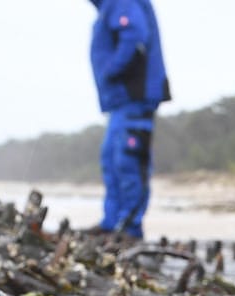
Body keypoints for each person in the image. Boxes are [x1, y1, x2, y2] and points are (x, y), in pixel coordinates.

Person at [88, 0, 170, 240]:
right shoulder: (107, 7)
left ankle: (129, 229)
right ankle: (111, 223)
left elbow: (134, 35)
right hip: (120, 101)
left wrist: (110, 71)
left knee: (128, 161)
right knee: (111, 161)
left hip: (134, 94)